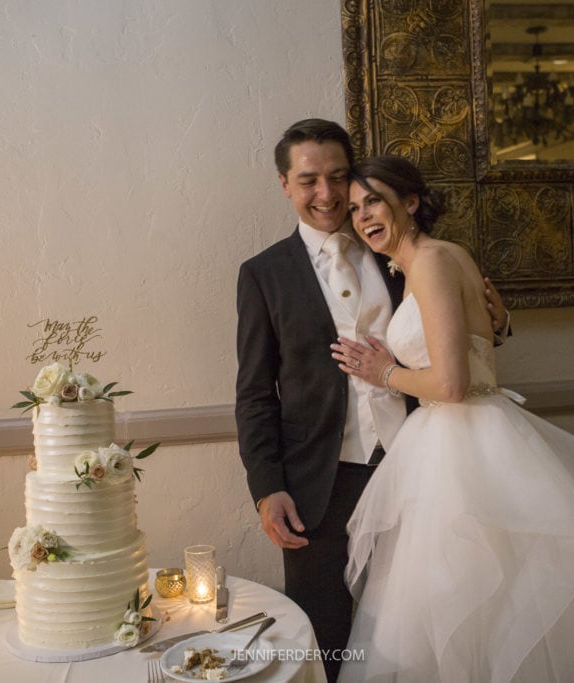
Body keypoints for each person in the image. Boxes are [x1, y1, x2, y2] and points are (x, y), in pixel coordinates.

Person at [331, 155, 574, 682]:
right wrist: (495, 326)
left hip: (462, 440)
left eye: (373, 200)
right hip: (470, 435)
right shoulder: (440, 259)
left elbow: (451, 384)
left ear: (411, 202)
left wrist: (385, 372)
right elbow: (477, 342)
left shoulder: (428, 262)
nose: (363, 215)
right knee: (499, 600)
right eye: (355, 207)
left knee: (482, 600)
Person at [235, 120, 510, 682]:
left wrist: (501, 321)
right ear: (284, 184)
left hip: (426, 472)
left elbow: (458, 330)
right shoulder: (262, 275)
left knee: (433, 625)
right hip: (320, 482)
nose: (328, 195)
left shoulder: (396, 241)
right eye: (309, 180)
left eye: (338, 177)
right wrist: (267, 487)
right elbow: (255, 393)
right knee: (326, 638)